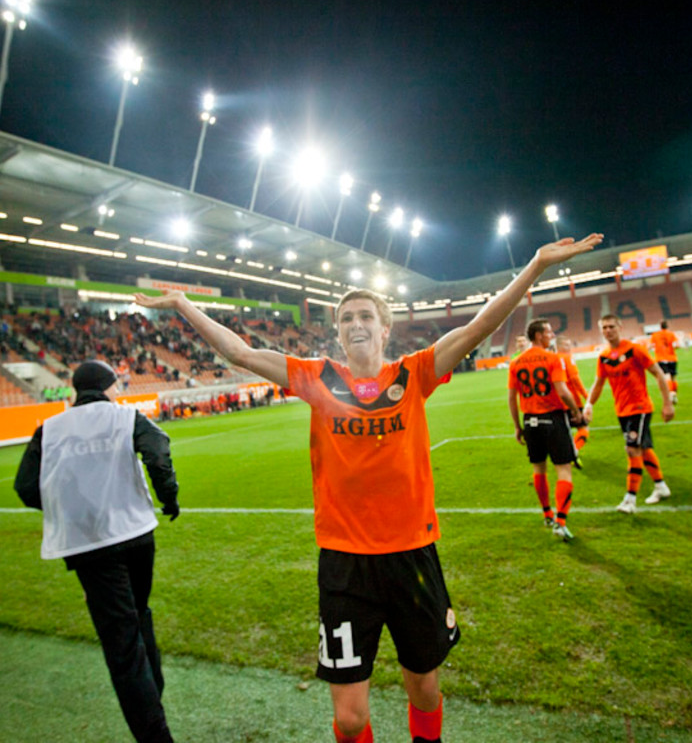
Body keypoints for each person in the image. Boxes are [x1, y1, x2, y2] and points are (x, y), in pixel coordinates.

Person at [135, 233, 602, 743]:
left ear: (384, 330)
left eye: (365, 316)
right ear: (339, 335)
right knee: (352, 715)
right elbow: (238, 351)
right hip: (344, 562)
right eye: (346, 319)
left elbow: (479, 325)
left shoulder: (415, 373)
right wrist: (182, 303)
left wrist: (534, 264)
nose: (355, 324)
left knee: (423, 688)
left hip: (412, 555)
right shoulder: (316, 378)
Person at [14, 360, 180, 743]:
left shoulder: (49, 429)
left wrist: (66, 508)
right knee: (139, 616)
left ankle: (154, 730)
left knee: (122, 643)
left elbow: (25, 487)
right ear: (108, 385)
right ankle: (153, 698)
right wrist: (168, 498)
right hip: (137, 534)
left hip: (89, 545)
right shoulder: (125, 417)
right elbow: (157, 450)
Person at [584, 315, 675, 513]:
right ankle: (660, 486)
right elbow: (598, 383)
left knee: (632, 449)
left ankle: (630, 499)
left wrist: (667, 403)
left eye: (611, 326)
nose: (608, 330)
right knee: (642, 448)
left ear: (620, 327)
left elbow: (658, 373)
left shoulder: (634, 350)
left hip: (640, 408)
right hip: (622, 410)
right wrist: (589, 404)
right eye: (604, 327)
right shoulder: (604, 356)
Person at [509, 321, 583, 541]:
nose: (552, 335)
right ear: (540, 335)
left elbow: (512, 398)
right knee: (563, 470)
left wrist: (517, 426)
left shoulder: (516, 362)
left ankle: (547, 514)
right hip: (553, 419)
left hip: (530, 421)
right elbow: (562, 390)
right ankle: (560, 521)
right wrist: (576, 410)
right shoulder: (553, 359)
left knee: (538, 469)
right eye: (549, 332)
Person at [555, 335, 590, 461]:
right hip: (572, 400)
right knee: (583, 429)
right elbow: (574, 378)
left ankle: (563, 454)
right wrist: (586, 395)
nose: (569, 347)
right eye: (566, 344)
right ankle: (573, 452)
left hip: (557, 402)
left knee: (564, 431)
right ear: (558, 346)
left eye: (569, 344)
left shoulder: (552, 359)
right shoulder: (567, 358)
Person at [649, 320, 678, 403]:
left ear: (660, 326)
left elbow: (651, 346)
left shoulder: (655, 335)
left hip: (661, 358)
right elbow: (676, 345)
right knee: (673, 377)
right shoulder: (671, 334)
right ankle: (674, 393)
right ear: (667, 326)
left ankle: (671, 393)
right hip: (672, 358)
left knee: (666, 375)